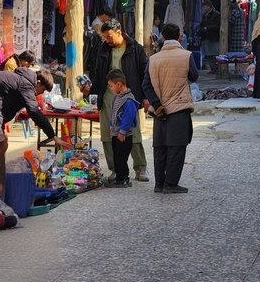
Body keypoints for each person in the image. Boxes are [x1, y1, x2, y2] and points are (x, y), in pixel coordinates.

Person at [79, 19, 150, 182]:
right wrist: (90, 92)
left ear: (119, 32)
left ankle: (140, 167)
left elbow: (144, 74)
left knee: (133, 133)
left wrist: (146, 97)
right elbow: (98, 74)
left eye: (109, 36)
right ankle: (116, 169)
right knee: (108, 133)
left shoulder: (135, 49)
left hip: (129, 96)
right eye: (104, 37)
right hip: (108, 96)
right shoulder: (103, 49)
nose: (107, 40)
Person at [0, 68, 69, 195]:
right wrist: (53, 136)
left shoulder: (20, 81)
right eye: (43, 90)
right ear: (38, 82)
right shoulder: (26, 84)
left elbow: (5, 105)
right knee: (1, 145)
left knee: (1, 146)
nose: (40, 94)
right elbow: (33, 111)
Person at [142, 24, 198, 194]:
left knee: (160, 147)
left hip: (160, 111)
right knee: (177, 147)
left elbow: (146, 84)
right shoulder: (187, 56)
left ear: (163, 37)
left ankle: (159, 184)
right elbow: (194, 77)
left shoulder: (153, 59)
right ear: (179, 36)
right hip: (179, 108)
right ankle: (171, 184)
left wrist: (157, 105)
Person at [104, 69, 139, 188]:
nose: (110, 88)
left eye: (111, 85)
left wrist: (123, 132)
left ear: (119, 84)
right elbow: (114, 113)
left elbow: (128, 117)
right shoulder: (117, 97)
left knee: (121, 158)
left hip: (123, 136)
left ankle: (121, 179)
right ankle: (123, 177)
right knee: (118, 157)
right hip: (116, 134)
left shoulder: (128, 100)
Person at [198, 0, 221, 72]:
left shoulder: (216, 14)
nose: (204, 8)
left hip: (213, 37)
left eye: (205, 6)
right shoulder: (204, 15)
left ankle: (216, 68)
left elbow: (217, 25)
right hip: (206, 36)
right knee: (208, 53)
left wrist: (207, 28)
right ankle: (213, 68)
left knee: (214, 53)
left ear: (208, 6)